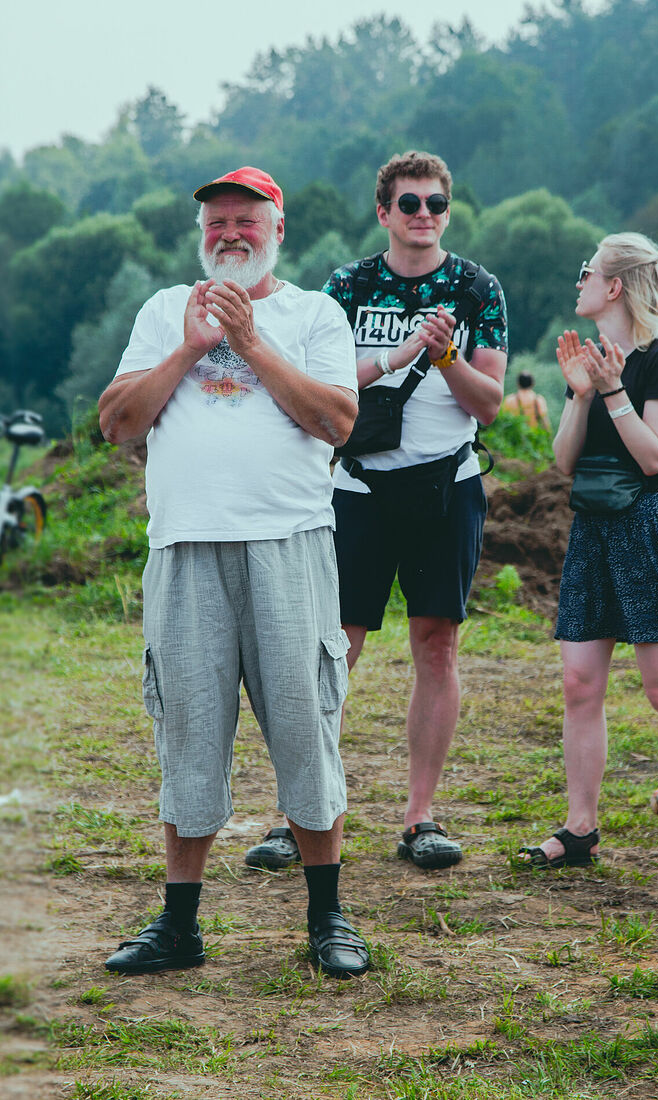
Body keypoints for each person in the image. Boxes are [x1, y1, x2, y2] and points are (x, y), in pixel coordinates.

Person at [98, 166, 371, 979]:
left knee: (305, 725)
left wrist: (249, 341)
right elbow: (117, 421)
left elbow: (337, 421)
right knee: (187, 729)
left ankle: (327, 918)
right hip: (185, 548)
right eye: (216, 223)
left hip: (288, 545)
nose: (229, 235)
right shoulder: (164, 311)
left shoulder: (314, 315)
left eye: (246, 221)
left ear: (277, 230)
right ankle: (180, 925)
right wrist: (192, 344)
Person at [246, 150, 508, 873]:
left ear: (447, 211)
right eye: (410, 203)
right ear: (384, 212)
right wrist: (397, 355)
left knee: (437, 645)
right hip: (359, 488)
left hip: (446, 486)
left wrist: (447, 356)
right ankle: (299, 814)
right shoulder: (349, 287)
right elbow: (314, 386)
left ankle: (421, 817)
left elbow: (490, 404)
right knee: (334, 647)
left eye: (436, 203)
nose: (425, 215)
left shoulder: (477, 288)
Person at [518, 232, 658, 882]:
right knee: (579, 685)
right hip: (593, 533)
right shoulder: (593, 361)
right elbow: (564, 462)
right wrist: (581, 394)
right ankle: (580, 828)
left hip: (648, 530)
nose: (578, 282)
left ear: (614, 286)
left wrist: (613, 392)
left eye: (587, 272)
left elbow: (657, 459)